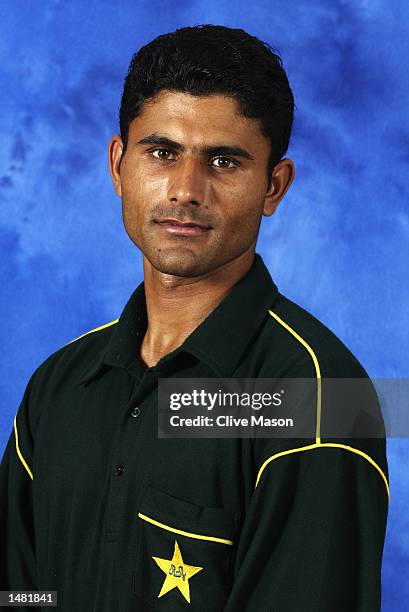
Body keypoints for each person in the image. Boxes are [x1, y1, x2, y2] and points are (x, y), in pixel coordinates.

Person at [0, 24, 389, 611]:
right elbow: (21, 595)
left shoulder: (325, 399)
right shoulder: (59, 386)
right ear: (117, 164)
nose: (186, 190)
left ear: (273, 186)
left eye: (224, 161)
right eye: (162, 153)